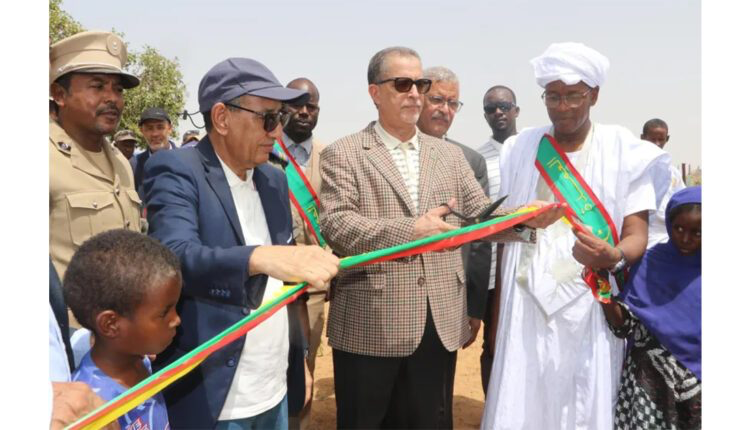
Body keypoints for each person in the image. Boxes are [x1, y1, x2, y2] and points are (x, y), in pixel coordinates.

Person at [319, 46, 562, 429]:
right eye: (403, 84)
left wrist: (526, 218)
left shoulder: (449, 156)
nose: (415, 93)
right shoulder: (344, 153)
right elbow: (338, 225)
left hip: (438, 323)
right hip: (372, 324)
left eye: (421, 84)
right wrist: (412, 231)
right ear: (375, 93)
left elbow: (479, 214)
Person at [482, 42, 672, 430]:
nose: (562, 106)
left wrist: (613, 255)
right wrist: (499, 311)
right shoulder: (522, 147)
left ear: (594, 95)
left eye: (573, 96)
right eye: (553, 96)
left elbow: (636, 234)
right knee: (523, 401)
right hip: (525, 304)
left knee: (583, 404)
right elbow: (505, 233)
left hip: (591, 305)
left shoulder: (624, 149)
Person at [143, 57, 339, 430]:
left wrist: (298, 360)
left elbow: (286, 288)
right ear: (222, 117)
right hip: (216, 396)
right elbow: (174, 257)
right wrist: (261, 258)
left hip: (274, 388)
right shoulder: (177, 170)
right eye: (268, 118)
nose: (277, 131)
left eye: (280, 118)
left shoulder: (273, 179)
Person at [415, 65, 491, 418]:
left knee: (436, 403)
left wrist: (474, 307)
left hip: (447, 303)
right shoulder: (383, 151)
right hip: (391, 308)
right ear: (417, 97)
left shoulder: (470, 160)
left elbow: (479, 240)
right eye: (437, 99)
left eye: (452, 103)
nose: (444, 109)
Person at [600, 186, 701, 429]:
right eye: (678, 228)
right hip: (648, 386)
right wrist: (602, 289)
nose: (685, 239)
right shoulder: (649, 263)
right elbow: (624, 325)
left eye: (697, 232)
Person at [49, 30, 142, 283]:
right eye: (97, 86)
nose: (112, 98)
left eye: (118, 89)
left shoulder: (121, 162)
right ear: (59, 94)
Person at [64, 229, 182, 430]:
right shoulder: (91, 408)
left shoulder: (141, 359)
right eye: (164, 312)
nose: (176, 320)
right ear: (111, 325)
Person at [279, 77, 328, 430]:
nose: (304, 111)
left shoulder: (331, 157)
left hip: (312, 286)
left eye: (311, 105)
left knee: (303, 368)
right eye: (296, 104)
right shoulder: (262, 150)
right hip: (267, 282)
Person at [475, 84, 520, 395]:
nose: (498, 112)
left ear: (516, 110)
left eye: (504, 106)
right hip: (493, 269)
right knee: (493, 342)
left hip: (530, 265)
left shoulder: (537, 150)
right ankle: (492, 409)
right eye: (491, 109)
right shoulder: (478, 159)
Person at [642, 118, 686, 247]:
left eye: (661, 139)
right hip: (644, 235)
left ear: (667, 139)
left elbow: (681, 201)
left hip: (667, 235)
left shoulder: (673, 172)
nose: (657, 144)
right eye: (652, 139)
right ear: (643, 138)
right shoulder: (635, 169)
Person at [131, 107, 177, 201]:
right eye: (149, 128)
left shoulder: (187, 162)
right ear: (142, 131)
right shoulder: (134, 165)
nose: (155, 134)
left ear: (170, 128)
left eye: (160, 127)